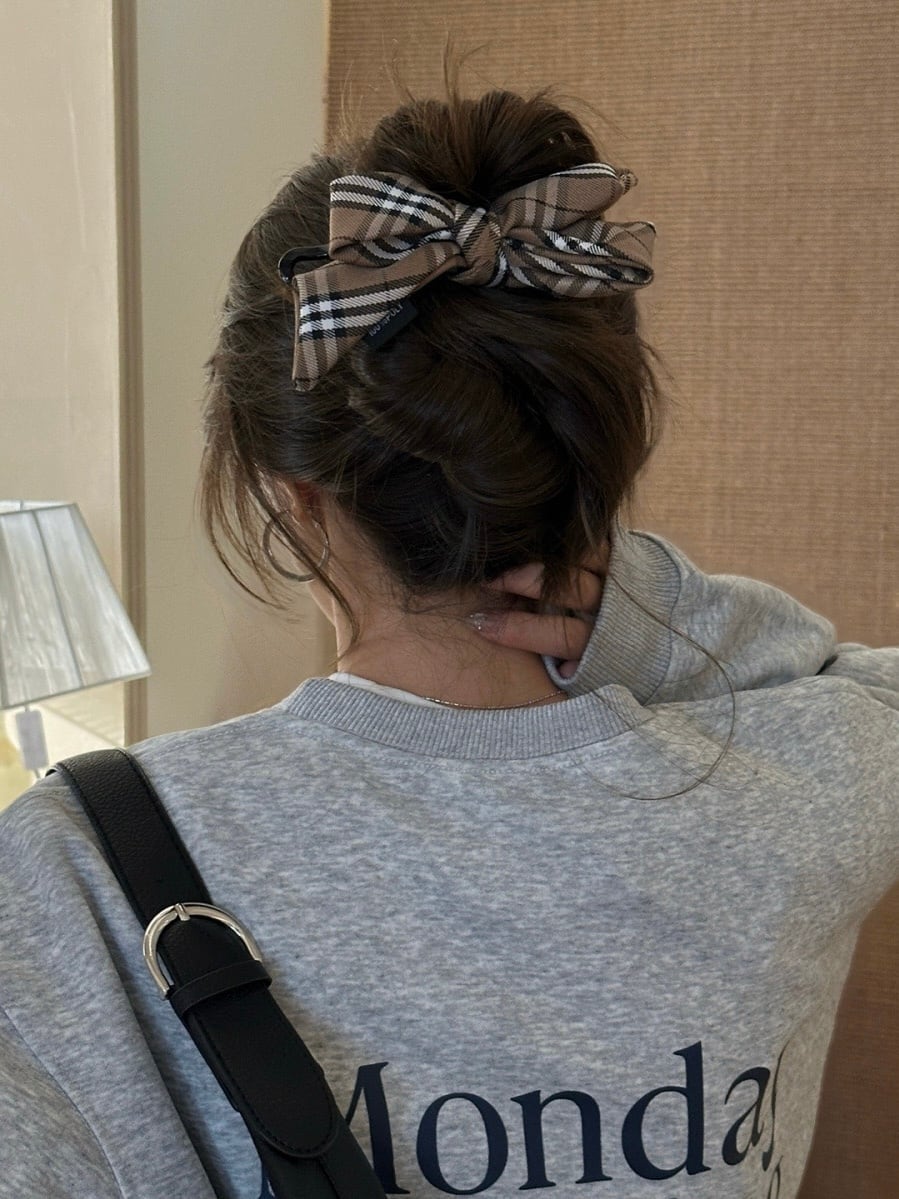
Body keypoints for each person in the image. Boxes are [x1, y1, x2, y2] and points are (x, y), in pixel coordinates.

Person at [1, 57, 897, 1199]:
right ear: (593, 446)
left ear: (290, 494)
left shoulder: (75, 863)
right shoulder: (805, 783)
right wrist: (635, 607)